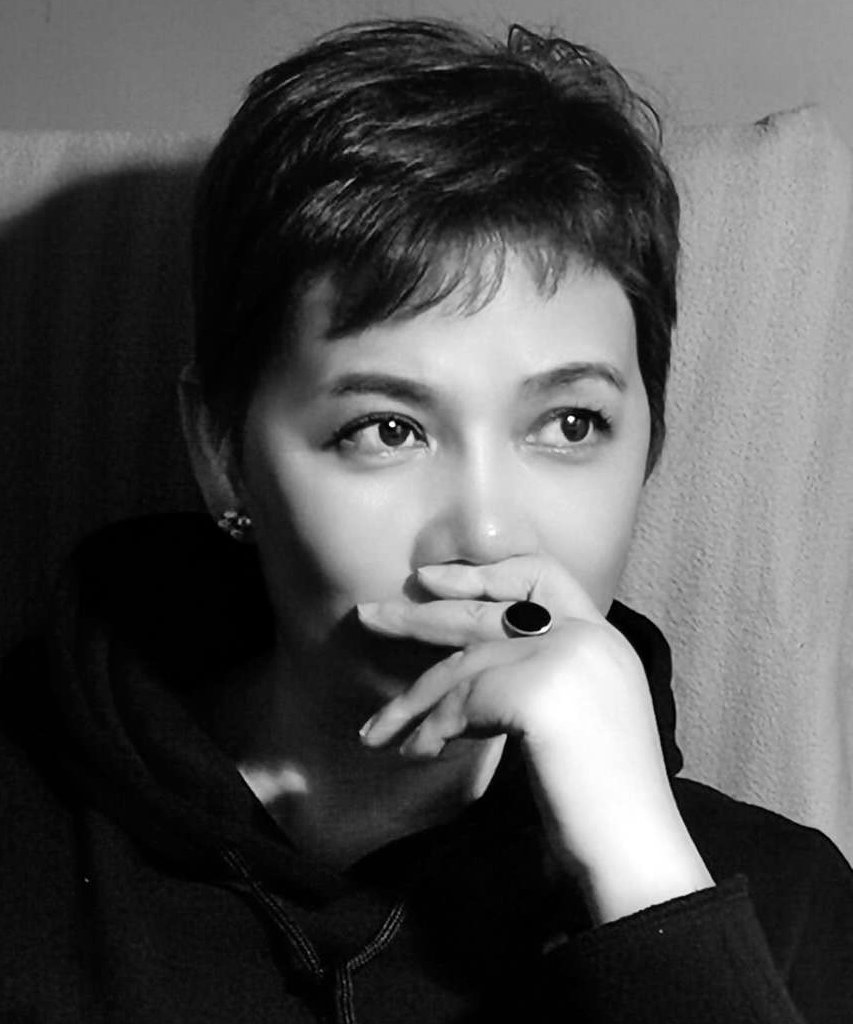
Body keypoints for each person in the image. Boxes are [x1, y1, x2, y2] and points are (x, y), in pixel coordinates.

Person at [2, 17, 852, 1024]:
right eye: (387, 429)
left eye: (569, 423)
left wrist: (648, 886)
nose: (486, 536)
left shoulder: (787, 905)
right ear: (222, 451)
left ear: (649, 445)